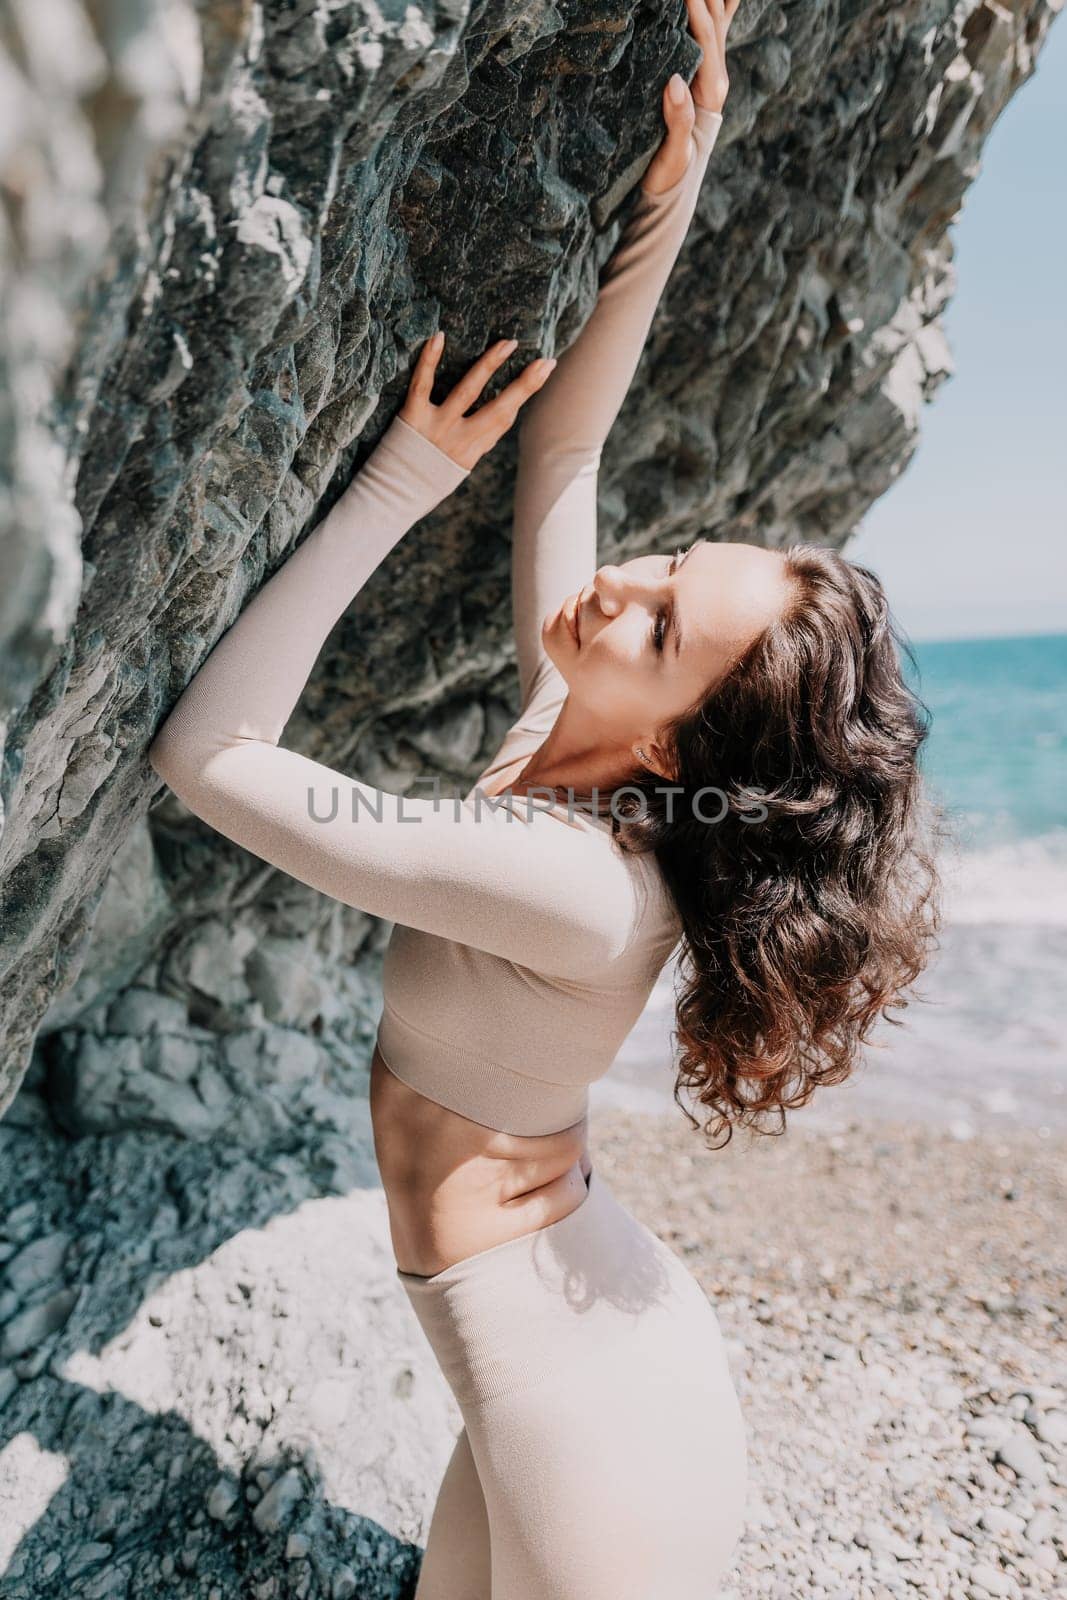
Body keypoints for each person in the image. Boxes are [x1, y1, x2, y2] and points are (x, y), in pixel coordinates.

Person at [148, 1, 941, 1593]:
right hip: (547, 1342)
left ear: (674, 744)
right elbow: (570, 452)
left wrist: (394, 483)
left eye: (663, 626)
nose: (624, 590)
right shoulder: (574, 736)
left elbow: (209, 759)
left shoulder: (583, 878)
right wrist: (674, 195)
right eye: (669, 566)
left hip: (584, 1408)